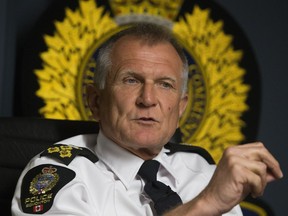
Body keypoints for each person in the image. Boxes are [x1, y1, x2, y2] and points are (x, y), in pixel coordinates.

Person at [12, 22, 283, 216]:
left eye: (165, 84)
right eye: (131, 80)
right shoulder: (58, 175)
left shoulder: (202, 171)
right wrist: (204, 206)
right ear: (96, 101)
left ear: (180, 109)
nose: (148, 99)